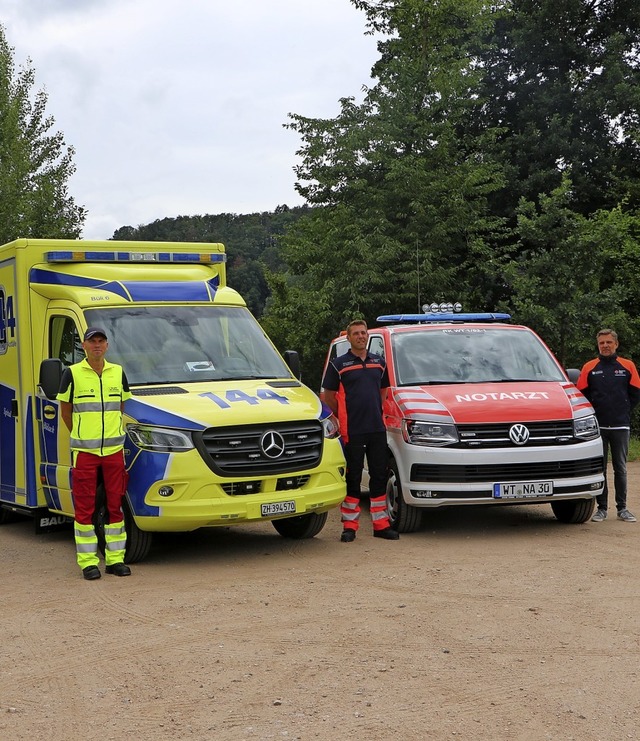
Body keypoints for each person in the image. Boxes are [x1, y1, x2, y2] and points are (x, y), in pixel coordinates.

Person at [57, 327, 133, 579]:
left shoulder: (118, 373)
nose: (97, 345)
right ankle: (88, 562)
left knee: (115, 506)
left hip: (114, 451)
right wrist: (80, 435)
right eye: (92, 341)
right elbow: (65, 411)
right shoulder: (72, 373)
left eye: (101, 341)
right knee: (85, 507)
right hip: (85, 453)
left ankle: (114, 560)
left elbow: (120, 406)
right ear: (84, 345)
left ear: (107, 345)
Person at [322, 319, 399, 542]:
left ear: (368, 336)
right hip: (352, 430)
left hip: (376, 428)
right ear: (349, 338)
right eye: (355, 333)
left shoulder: (379, 362)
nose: (360, 336)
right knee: (353, 478)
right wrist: (345, 417)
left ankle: (381, 524)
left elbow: (383, 391)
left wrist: (375, 410)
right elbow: (329, 396)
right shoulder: (339, 364)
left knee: (379, 475)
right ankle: (350, 526)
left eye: (363, 333)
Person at [577, 328, 640, 523]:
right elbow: (581, 397)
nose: (605, 346)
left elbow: (636, 393)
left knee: (620, 468)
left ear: (616, 344)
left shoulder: (627, 366)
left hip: (621, 425)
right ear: (598, 345)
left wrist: (624, 410)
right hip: (598, 427)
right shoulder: (589, 367)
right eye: (601, 343)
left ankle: (622, 509)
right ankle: (601, 508)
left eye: (608, 342)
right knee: (600, 469)